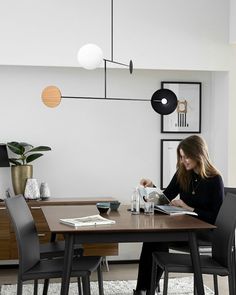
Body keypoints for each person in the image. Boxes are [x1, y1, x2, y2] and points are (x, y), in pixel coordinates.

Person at [134, 135, 224, 295]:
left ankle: (147, 288)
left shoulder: (215, 180)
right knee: (152, 237)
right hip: (183, 229)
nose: (184, 161)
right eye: (181, 157)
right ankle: (143, 289)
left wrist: (189, 208)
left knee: (158, 238)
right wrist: (151, 188)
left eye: (187, 156)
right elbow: (166, 197)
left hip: (203, 232)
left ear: (199, 154)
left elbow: (216, 219)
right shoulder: (182, 173)